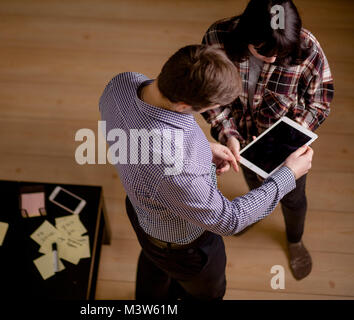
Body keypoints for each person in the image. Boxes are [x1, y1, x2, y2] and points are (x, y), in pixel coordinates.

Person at [99, 44, 313, 300]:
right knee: (207, 294)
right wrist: (288, 175)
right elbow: (230, 220)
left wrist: (204, 150)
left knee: (152, 269)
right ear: (182, 106)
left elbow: (141, 138)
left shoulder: (122, 82)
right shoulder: (178, 168)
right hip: (183, 248)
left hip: (141, 213)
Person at [201, 0, 334, 280]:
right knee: (252, 183)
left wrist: (296, 133)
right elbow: (210, 96)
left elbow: (320, 101)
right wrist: (227, 133)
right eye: (262, 51)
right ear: (245, 35)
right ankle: (255, 212)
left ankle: (294, 238)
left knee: (294, 198)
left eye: (280, 54)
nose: (272, 59)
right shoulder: (217, 39)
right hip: (242, 142)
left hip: (287, 149)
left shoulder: (308, 48)